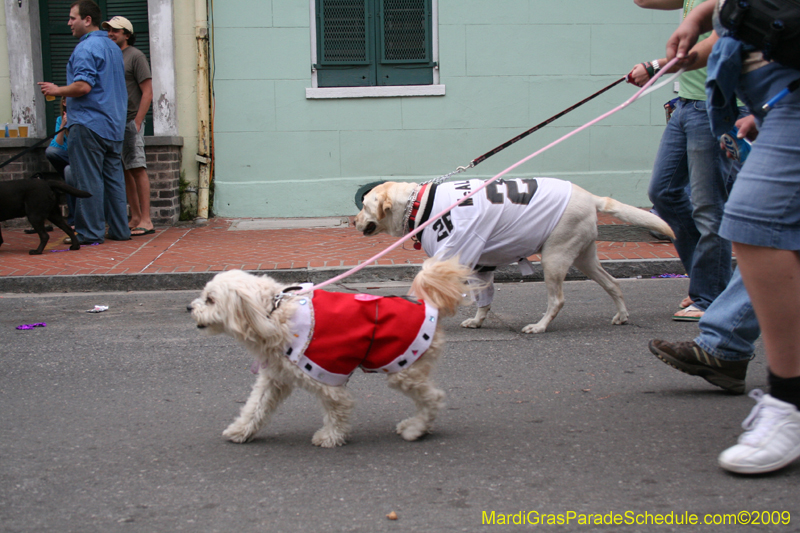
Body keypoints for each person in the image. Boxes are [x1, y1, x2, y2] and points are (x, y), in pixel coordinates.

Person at [666, 0, 800, 474]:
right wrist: (698, 21)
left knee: (752, 220)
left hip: (787, 95)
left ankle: (788, 403)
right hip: (775, 98)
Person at [627, 0, 742, 322]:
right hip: (688, 104)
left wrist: (656, 65)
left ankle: (711, 296)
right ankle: (707, 283)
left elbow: (716, 44)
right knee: (664, 192)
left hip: (718, 106)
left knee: (709, 205)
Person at [38, 0, 130, 245]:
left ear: (87, 20)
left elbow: (83, 86)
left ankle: (90, 232)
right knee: (113, 180)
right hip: (114, 125)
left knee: (88, 180)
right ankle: (120, 230)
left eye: (72, 18)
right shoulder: (113, 47)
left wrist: (57, 90)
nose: (68, 23)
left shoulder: (85, 48)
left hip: (89, 123)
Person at [103, 16, 155, 236]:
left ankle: (146, 220)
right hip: (115, 123)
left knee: (137, 168)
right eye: (108, 30)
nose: (110, 34)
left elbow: (148, 92)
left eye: (115, 30)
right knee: (126, 170)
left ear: (127, 34)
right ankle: (134, 217)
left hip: (130, 121)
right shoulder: (111, 56)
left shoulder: (136, 56)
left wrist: (138, 121)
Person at [45, 97, 77, 227]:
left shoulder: (82, 118)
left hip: (82, 158)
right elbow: (56, 146)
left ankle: (75, 219)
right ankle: (74, 220)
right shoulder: (60, 119)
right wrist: (63, 126)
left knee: (69, 171)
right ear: (63, 103)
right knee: (52, 153)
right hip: (68, 158)